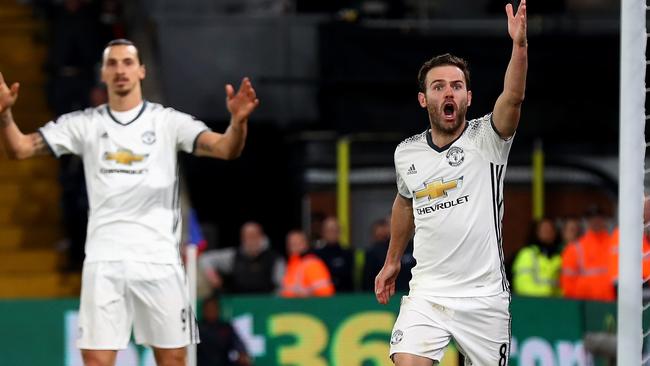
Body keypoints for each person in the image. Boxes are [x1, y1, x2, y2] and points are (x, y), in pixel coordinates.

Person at [0, 39, 259, 366]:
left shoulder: (168, 122)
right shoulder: (84, 123)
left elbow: (225, 149)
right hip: (105, 260)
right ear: (103, 74)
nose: (120, 70)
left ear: (141, 71)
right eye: (113, 64)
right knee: (95, 361)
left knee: (174, 360)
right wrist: (6, 115)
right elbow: (20, 149)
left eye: (127, 62)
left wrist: (238, 123)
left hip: (159, 259)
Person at [374, 1, 528, 364]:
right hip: (428, 293)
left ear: (468, 98)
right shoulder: (407, 153)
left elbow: (514, 97)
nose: (449, 92)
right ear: (423, 98)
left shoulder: (487, 139)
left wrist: (519, 47)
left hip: (483, 298)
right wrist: (393, 259)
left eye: (457, 86)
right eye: (439, 86)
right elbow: (404, 201)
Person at [199, 221, 285, 294]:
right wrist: (212, 275)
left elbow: (281, 287)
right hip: (238, 305)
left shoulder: (275, 259)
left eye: (254, 236)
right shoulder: (234, 256)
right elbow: (205, 258)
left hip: (266, 305)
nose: (251, 240)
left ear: (261, 236)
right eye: (247, 237)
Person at [560, 205, 614, 301]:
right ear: (587, 222)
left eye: (599, 218)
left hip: (612, 302)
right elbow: (567, 281)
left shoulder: (615, 244)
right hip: (585, 304)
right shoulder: (575, 248)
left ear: (605, 220)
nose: (596, 221)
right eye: (592, 219)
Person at [512, 218, 562, 297]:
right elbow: (522, 285)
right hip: (533, 303)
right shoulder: (527, 254)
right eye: (544, 230)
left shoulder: (559, 258)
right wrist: (546, 293)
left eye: (550, 230)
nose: (548, 233)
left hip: (556, 304)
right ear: (536, 232)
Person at [362, 218, 415, 292]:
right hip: (386, 294)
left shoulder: (416, 247)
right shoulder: (376, 250)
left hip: (413, 293)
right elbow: (368, 280)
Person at [197, 295, 252, 366]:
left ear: (218, 310)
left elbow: (239, 345)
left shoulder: (226, 328)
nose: (211, 312)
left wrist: (243, 355)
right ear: (204, 310)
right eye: (208, 309)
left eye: (213, 309)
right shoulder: (197, 329)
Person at [280, 229, 335, 297]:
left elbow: (326, 292)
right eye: (291, 243)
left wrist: (306, 297)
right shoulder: (291, 265)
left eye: (298, 243)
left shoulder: (312, 264)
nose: (294, 246)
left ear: (305, 244)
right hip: (291, 306)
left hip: (307, 306)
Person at [313, 216, 355, 292]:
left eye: (334, 230)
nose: (331, 233)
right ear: (322, 232)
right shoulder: (315, 254)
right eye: (328, 230)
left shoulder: (348, 253)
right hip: (322, 297)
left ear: (339, 232)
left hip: (345, 296)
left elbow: (349, 278)